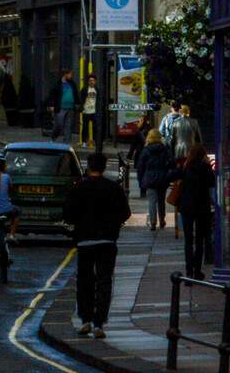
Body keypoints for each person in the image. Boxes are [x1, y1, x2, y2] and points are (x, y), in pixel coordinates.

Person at [60, 151, 130, 339]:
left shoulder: (79, 188)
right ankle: (99, 323)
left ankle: (86, 320)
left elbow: (67, 214)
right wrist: (113, 223)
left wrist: (79, 223)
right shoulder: (113, 188)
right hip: (107, 240)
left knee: (85, 280)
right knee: (104, 280)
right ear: (104, 167)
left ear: (88, 167)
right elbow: (125, 213)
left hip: (85, 240)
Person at [171, 142, 217, 281]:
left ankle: (189, 271)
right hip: (202, 208)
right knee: (200, 241)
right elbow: (212, 183)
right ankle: (197, 270)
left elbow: (172, 175)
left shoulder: (186, 166)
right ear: (203, 155)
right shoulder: (205, 167)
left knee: (188, 241)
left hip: (187, 207)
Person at [135, 130, 173, 232]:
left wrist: (140, 180)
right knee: (161, 200)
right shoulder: (164, 149)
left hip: (150, 178)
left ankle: (152, 223)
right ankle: (162, 220)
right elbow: (170, 163)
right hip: (162, 177)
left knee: (152, 201)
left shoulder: (146, 150)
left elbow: (140, 167)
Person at [47, 69, 79, 144]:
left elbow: (76, 94)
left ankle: (66, 143)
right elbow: (52, 95)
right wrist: (51, 105)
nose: (71, 76)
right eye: (70, 74)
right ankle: (53, 137)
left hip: (70, 107)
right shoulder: (58, 84)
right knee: (59, 124)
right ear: (65, 74)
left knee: (68, 126)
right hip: (61, 107)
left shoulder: (72, 84)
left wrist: (77, 103)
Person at [80, 75, 99, 148]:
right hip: (86, 111)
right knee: (85, 127)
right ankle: (84, 142)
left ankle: (95, 140)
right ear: (88, 81)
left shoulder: (96, 89)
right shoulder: (84, 89)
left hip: (94, 111)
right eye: (90, 80)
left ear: (95, 81)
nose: (92, 82)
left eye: (93, 80)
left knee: (96, 127)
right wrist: (82, 108)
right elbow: (81, 99)